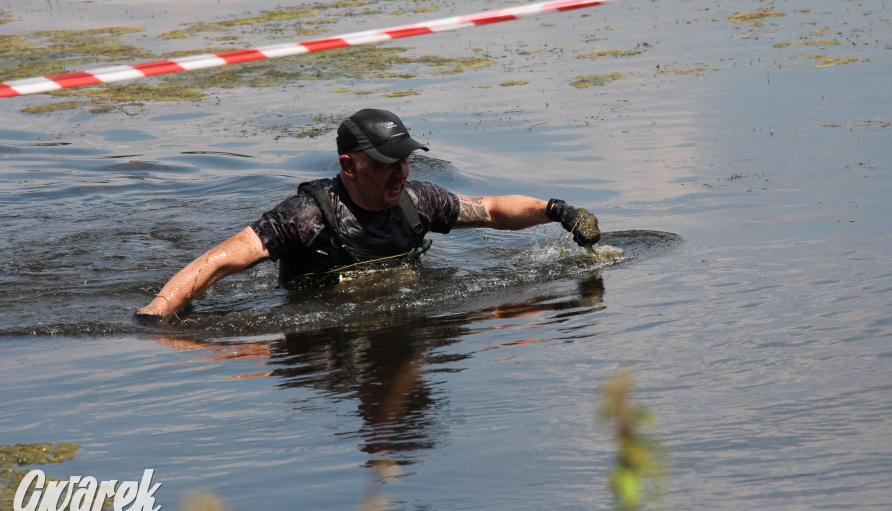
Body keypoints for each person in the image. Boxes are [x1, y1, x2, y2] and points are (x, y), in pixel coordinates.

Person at [137, 108, 601, 319]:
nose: (399, 172)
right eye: (385, 163)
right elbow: (219, 261)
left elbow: (493, 211)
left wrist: (558, 211)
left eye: (404, 159)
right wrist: (157, 314)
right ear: (349, 166)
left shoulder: (418, 200)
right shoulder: (304, 218)